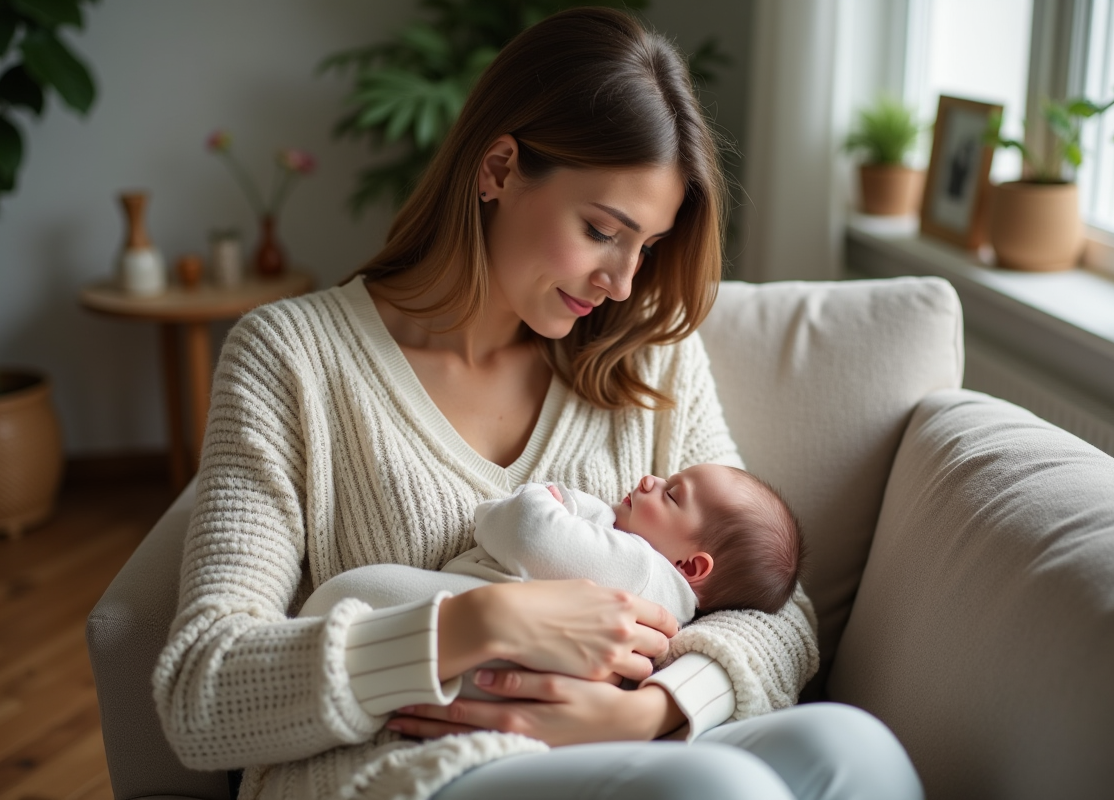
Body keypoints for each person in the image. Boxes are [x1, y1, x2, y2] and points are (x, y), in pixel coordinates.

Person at [153, 8, 923, 800]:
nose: (621, 283)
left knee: (851, 747)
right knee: (718, 790)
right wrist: (483, 624)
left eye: (647, 247)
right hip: (411, 772)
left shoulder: (647, 355)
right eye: (601, 230)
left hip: (635, 744)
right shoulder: (292, 358)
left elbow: (778, 612)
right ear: (498, 169)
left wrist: (652, 711)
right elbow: (201, 694)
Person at [298, 464, 806, 700]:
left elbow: (523, 531)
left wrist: (542, 497)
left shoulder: (641, 568)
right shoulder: (651, 585)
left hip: (484, 649)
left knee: (348, 592)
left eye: (672, 494)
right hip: (496, 666)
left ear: (691, 568)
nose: (650, 479)